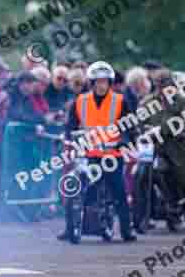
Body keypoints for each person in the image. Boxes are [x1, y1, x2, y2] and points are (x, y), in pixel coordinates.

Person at [58, 61, 137, 242]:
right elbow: (71, 125)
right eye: (97, 81)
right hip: (88, 154)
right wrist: (68, 137)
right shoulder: (80, 101)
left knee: (118, 191)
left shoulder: (120, 100)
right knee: (78, 189)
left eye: (105, 81)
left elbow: (129, 128)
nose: (101, 85)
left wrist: (123, 141)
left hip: (111, 155)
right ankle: (70, 227)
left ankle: (126, 230)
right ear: (91, 82)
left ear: (109, 82)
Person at [138, 70, 185, 235]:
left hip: (177, 146)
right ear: (156, 86)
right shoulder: (147, 102)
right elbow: (139, 123)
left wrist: (163, 130)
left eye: (167, 85)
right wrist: (144, 131)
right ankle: (139, 218)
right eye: (160, 85)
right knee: (141, 177)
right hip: (153, 146)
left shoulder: (183, 100)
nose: (164, 89)